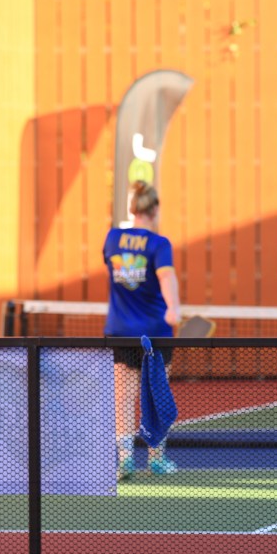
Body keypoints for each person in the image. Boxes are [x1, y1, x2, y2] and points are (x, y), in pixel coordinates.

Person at [103, 179, 181, 478]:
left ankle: (125, 460)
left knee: (123, 398)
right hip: (156, 333)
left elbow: (117, 272)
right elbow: (166, 278)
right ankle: (156, 459)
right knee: (157, 395)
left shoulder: (112, 239)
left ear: (132, 209)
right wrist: (173, 308)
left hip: (120, 331)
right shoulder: (159, 244)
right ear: (155, 209)